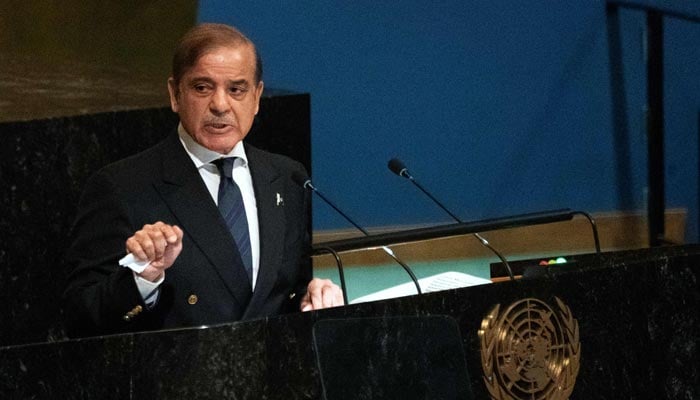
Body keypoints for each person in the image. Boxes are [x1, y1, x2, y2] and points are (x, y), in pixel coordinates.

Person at [63, 23, 343, 337]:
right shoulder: (122, 187)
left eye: (236, 89)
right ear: (175, 94)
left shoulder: (286, 179)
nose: (220, 105)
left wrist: (309, 299)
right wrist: (144, 278)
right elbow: (80, 316)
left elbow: (283, 292)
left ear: (257, 97)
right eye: (202, 88)